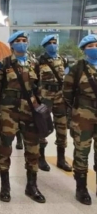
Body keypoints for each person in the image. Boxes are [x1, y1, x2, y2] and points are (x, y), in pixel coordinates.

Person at [0, 31, 45, 204]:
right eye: (18, 41)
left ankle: (32, 186)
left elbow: (39, 88)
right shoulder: (3, 64)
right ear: (12, 45)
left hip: (30, 112)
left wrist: (39, 107)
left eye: (24, 40)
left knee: (33, 149)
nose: (22, 43)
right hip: (9, 112)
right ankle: (5, 187)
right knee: (5, 148)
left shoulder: (34, 64)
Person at [63, 35, 97, 205]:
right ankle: (81, 188)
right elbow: (67, 93)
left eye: (96, 44)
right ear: (84, 49)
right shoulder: (77, 68)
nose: (95, 48)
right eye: (91, 45)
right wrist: (75, 112)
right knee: (82, 151)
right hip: (83, 117)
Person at [35, 35, 72, 172]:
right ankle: (41, 158)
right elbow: (34, 81)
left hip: (60, 98)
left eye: (54, 42)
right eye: (50, 43)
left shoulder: (64, 60)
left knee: (62, 127)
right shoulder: (39, 61)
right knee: (43, 127)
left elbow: (68, 79)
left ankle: (61, 159)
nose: (53, 45)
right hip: (45, 98)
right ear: (45, 47)